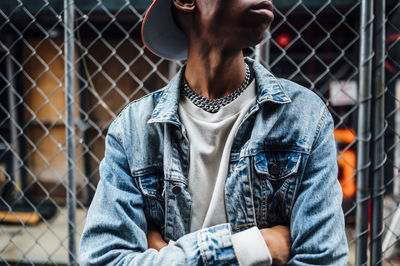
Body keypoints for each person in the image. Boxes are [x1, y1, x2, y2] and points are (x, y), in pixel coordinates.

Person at [79, 0, 349, 265]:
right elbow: (104, 258)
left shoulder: (304, 117)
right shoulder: (134, 130)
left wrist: (167, 256)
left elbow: (323, 259)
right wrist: (251, 248)